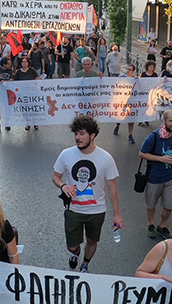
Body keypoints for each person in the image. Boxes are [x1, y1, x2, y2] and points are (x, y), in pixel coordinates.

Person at [52, 115, 123, 273]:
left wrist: (117, 215)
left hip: (96, 211)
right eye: (76, 134)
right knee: (71, 245)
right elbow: (56, 177)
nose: (77, 138)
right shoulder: (66, 154)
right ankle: (75, 253)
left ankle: (85, 264)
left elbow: (112, 188)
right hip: (73, 210)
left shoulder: (106, 158)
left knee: (92, 241)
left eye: (82, 134)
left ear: (93, 135)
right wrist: (63, 185)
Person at [139, 110, 172, 239]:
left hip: (171, 178)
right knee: (151, 204)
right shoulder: (154, 137)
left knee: (169, 206)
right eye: (171, 121)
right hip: (154, 178)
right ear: (164, 121)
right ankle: (151, 224)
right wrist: (161, 159)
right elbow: (142, 153)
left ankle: (162, 225)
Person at [112, 62, 136, 142]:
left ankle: (130, 134)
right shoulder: (121, 77)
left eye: (130, 70)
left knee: (131, 119)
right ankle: (117, 126)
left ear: (133, 71)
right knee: (120, 116)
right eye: (127, 69)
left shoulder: (135, 79)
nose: (128, 71)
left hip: (131, 102)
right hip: (122, 101)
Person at [13, 56, 39, 131]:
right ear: (20, 63)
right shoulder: (18, 72)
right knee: (24, 110)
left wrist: (37, 80)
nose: (24, 63)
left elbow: (37, 78)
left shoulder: (32, 70)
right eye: (23, 62)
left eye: (25, 62)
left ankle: (35, 122)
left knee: (33, 109)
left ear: (28, 63)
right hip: (22, 95)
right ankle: (28, 123)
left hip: (32, 94)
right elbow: (14, 81)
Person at [0, 57, 14, 134]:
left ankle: (7, 122)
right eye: (8, 64)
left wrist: (9, 80)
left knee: (8, 108)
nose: (10, 65)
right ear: (4, 65)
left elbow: (12, 79)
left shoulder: (10, 70)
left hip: (7, 92)